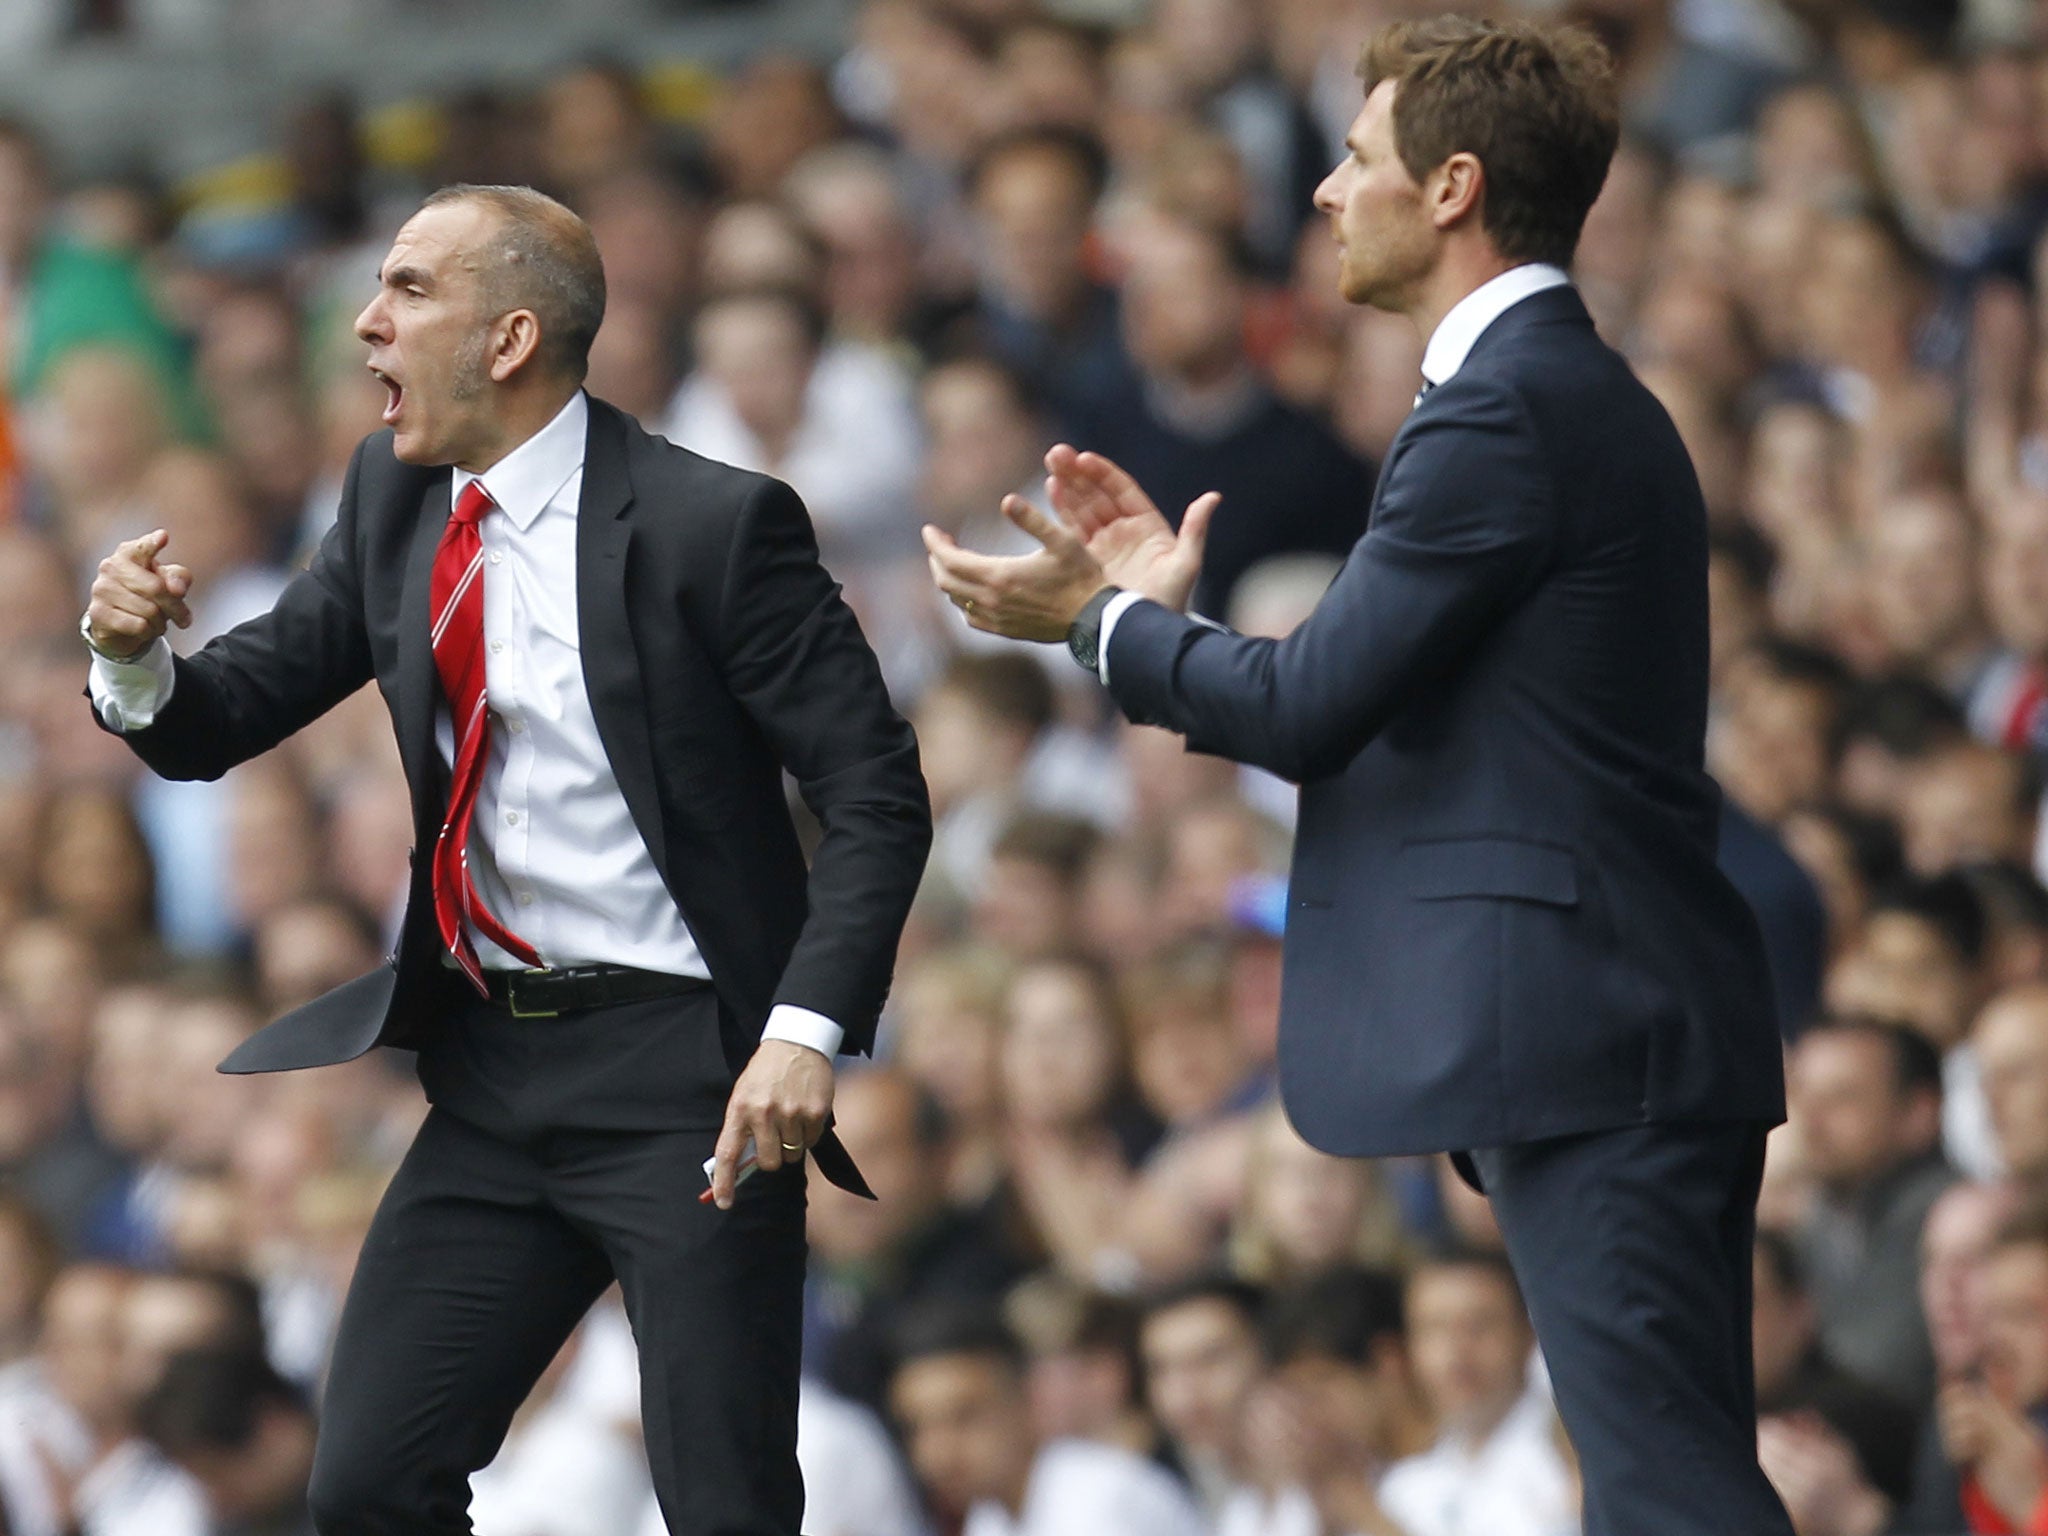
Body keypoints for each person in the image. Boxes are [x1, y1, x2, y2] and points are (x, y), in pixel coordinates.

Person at [924, 16, 1795, 1534]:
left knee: (1672, 1500)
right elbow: (1368, 691)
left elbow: (1315, 701)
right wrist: (1158, 615)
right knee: (1659, 1486)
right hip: (1614, 1032)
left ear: (1452, 187)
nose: (1325, 192)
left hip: (1601, 1040)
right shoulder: (1536, 400)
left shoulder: (1505, 410)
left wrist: (1102, 627)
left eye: (1354, 157)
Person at [80, 183, 931, 1536]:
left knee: (725, 1505)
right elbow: (219, 718)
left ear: (510, 338)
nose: (365, 321)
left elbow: (877, 791)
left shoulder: (716, 525)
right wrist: (130, 656)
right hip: (494, 1074)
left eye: (409, 290)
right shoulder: (391, 497)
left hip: (690, 1085)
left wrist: (805, 1033)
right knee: (366, 1485)